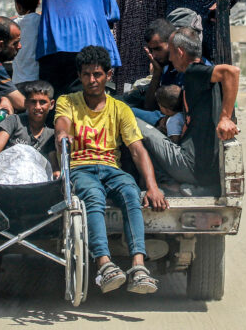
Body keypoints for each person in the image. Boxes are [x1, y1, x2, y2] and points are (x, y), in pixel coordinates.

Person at [55, 46, 167, 294]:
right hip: (80, 168)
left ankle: (138, 266)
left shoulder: (120, 108)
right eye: (86, 75)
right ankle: (104, 265)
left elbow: (137, 150)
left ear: (108, 75)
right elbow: (62, 124)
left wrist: (153, 187)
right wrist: (63, 134)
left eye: (97, 74)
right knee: (92, 197)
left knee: (130, 192)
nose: (92, 80)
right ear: (79, 76)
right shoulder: (68, 101)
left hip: (110, 168)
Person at [139, 27, 240, 192]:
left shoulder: (194, 72)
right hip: (204, 169)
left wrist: (225, 117)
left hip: (190, 166)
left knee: (133, 122)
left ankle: (163, 182)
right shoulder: (202, 75)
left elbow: (232, 72)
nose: (170, 58)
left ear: (180, 52)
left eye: (171, 53)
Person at [0, 80, 57, 173]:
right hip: (6, 173)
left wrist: (56, 173)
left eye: (42, 102)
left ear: (51, 104)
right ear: (25, 103)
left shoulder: (50, 134)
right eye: (33, 102)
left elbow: (53, 162)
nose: (38, 107)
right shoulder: (14, 121)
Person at [0, 16, 25, 112]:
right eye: (15, 43)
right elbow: (21, 103)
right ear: (1, 45)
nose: (20, 46)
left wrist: (5, 98)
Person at [11, 0, 41, 87]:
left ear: (18, 6)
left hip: (18, 81)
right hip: (39, 80)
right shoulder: (42, 22)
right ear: (38, 2)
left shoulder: (12, 25)